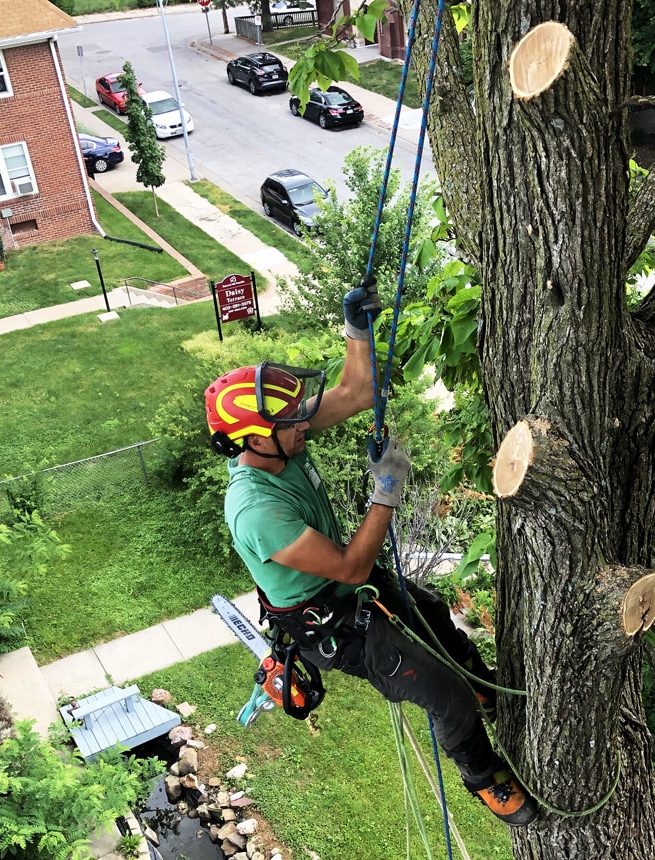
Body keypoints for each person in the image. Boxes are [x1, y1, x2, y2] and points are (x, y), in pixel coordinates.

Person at [203, 278, 536, 826]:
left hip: (347, 589)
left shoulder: (278, 441)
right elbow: (352, 565)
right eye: (287, 421)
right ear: (256, 439)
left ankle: (488, 693)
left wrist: (357, 329)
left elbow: (357, 394)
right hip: (327, 620)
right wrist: (386, 492)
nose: (300, 422)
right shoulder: (254, 510)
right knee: (439, 691)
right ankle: (484, 779)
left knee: (431, 610)